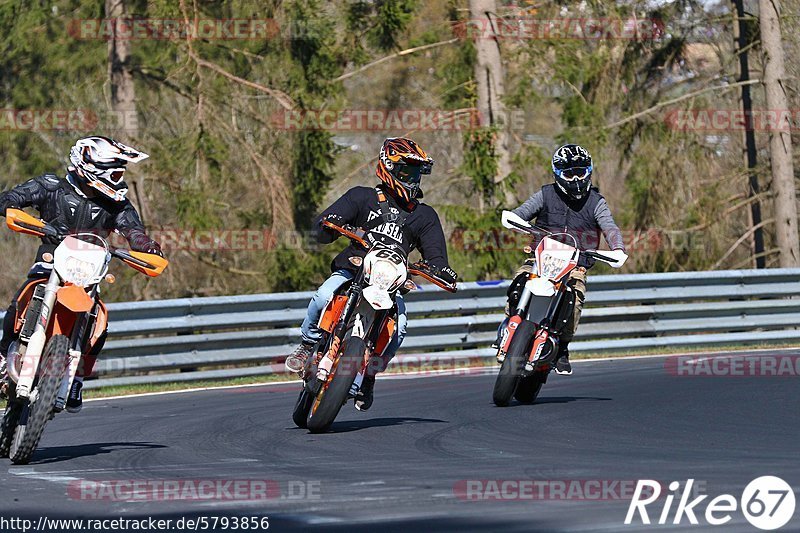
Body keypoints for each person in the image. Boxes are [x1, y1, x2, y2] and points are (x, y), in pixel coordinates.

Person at [285, 137, 457, 410]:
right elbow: (325, 225)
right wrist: (330, 225)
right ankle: (307, 344)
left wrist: (441, 270)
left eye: (416, 173)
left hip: (391, 285)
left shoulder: (425, 216)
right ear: (387, 167)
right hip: (353, 271)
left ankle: (369, 377)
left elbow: (436, 257)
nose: (412, 179)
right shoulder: (362, 197)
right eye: (406, 171)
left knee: (399, 330)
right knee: (322, 295)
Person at [0, 136, 162, 411]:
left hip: (88, 272)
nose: (118, 178)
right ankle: (4, 355)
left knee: (100, 321)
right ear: (90, 167)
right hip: (50, 262)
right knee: (20, 300)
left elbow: (134, 230)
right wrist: (11, 207)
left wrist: (148, 247)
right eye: (114, 171)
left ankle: (76, 379)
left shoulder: (116, 204)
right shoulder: (51, 186)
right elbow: (11, 198)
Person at [497, 144, 626, 375]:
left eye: (580, 171)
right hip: (541, 256)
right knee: (518, 281)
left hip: (575, 265)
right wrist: (514, 218)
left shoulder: (597, 202)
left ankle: (563, 348)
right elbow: (522, 212)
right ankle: (510, 321)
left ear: (589, 171)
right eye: (569, 173)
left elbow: (611, 228)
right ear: (557, 174)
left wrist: (617, 248)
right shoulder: (545, 194)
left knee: (574, 299)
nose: (576, 178)